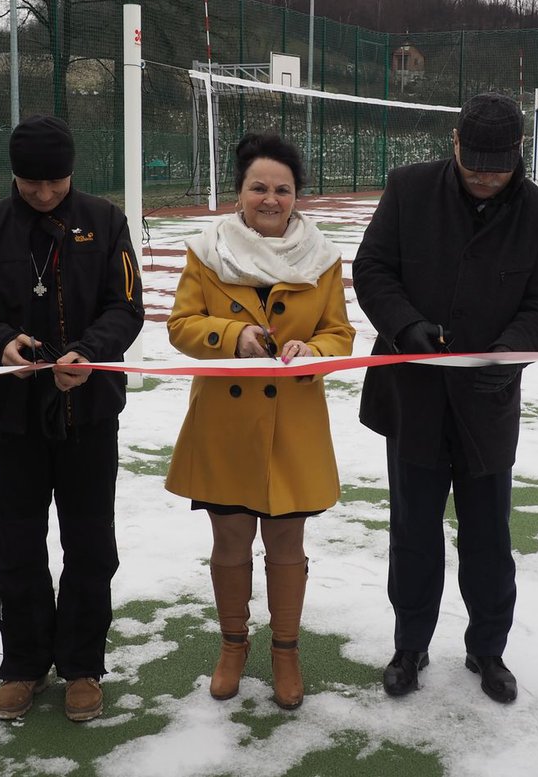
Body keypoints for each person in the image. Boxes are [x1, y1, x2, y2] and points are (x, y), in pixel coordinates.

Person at [352, 93, 538, 704]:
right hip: (414, 398)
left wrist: (509, 353)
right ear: (454, 144)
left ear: (518, 152)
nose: (484, 177)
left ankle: (488, 649)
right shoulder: (409, 190)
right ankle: (409, 645)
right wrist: (406, 327)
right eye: (474, 164)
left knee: (488, 537)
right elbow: (373, 270)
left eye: (496, 168)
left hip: (487, 403)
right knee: (413, 532)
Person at [0, 115, 143, 723]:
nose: (43, 192)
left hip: (90, 412)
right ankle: (24, 665)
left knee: (90, 542)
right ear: (13, 174)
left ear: (71, 171)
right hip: (12, 417)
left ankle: (82, 665)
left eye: (55, 181)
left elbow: (126, 306)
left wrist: (89, 352)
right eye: (31, 182)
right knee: (16, 544)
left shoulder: (106, 221)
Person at [164, 132, 354, 710]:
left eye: (282, 189)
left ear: (297, 195)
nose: (270, 199)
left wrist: (313, 351)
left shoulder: (322, 258)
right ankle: (232, 646)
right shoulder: (207, 251)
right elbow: (181, 325)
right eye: (258, 188)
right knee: (230, 538)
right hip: (225, 425)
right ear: (240, 192)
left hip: (293, 424)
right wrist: (231, 335)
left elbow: (339, 333)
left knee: (287, 541)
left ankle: (285, 652)